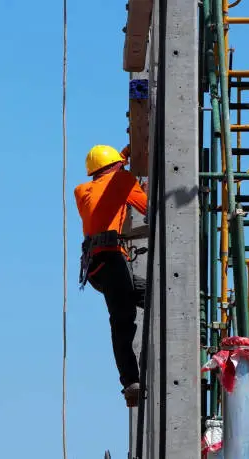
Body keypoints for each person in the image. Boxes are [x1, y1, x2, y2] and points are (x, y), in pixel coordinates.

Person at [74, 144, 148, 408]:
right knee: (123, 320)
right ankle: (130, 382)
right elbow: (148, 207)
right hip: (113, 262)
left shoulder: (82, 191)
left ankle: (131, 381)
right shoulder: (122, 181)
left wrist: (123, 157)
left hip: (95, 268)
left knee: (149, 297)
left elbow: (106, 182)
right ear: (116, 165)